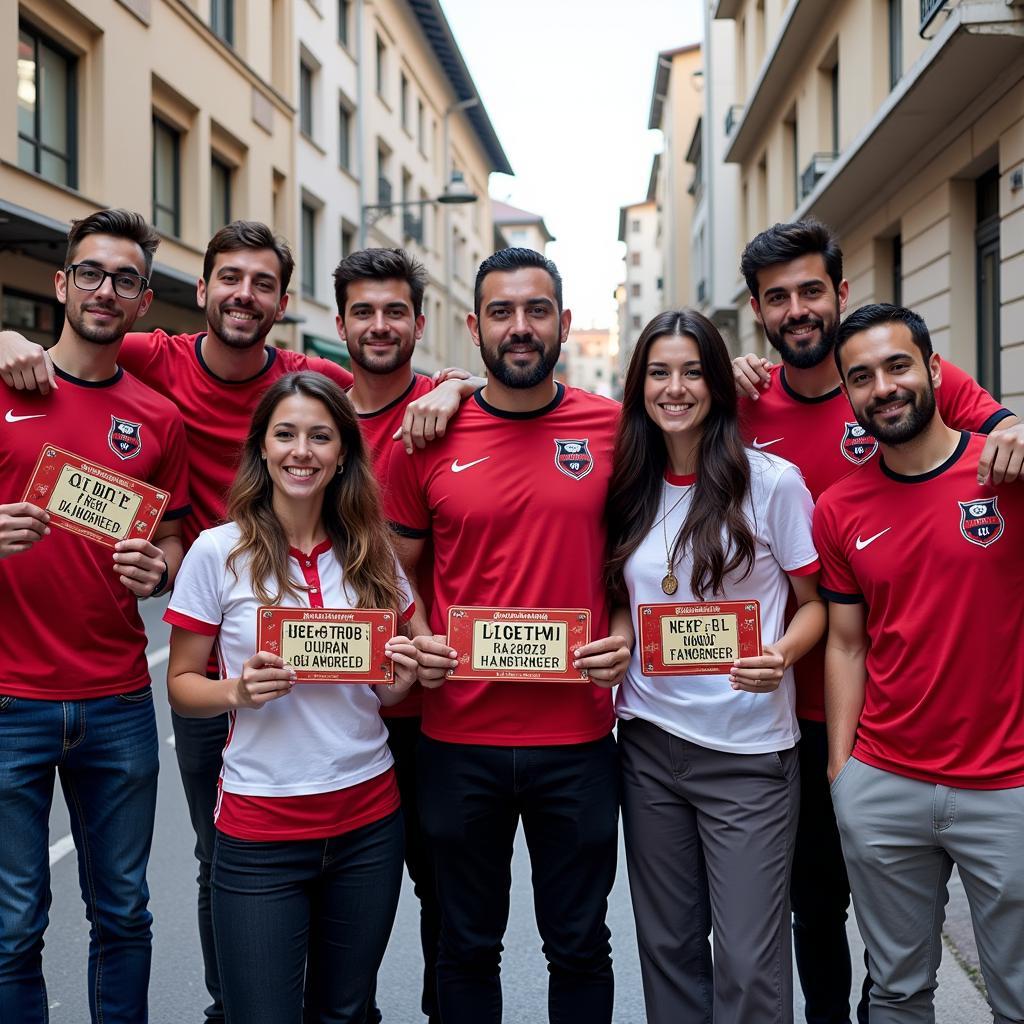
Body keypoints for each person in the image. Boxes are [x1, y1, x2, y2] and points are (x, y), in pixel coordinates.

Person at [0, 223, 477, 1024]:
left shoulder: (306, 395)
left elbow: (370, 393)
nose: (243, 296)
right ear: (198, 292)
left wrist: (453, 384)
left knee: (126, 914)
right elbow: (188, 675)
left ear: (285, 304)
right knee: (192, 866)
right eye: (230, 278)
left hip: (137, 698)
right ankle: (241, 1002)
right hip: (47, 690)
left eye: (263, 284)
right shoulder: (153, 364)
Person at [732, 219, 1021, 1024]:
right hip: (808, 719)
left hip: (959, 739)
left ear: (840, 293)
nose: (797, 309)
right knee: (822, 914)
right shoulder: (745, 401)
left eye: (811, 291)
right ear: (758, 311)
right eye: (778, 297)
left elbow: (998, 430)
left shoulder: (924, 394)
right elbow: (650, 428)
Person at [384, 248, 631, 1024]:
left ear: (561, 320)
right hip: (458, 740)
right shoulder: (422, 439)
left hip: (579, 740)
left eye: (536, 311)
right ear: (474, 325)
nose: (519, 328)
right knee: (465, 945)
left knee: (580, 944)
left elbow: (638, 567)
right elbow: (393, 577)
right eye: (501, 313)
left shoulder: (615, 429)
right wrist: (418, 638)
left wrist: (623, 634)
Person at [165, 371, 425, 1024]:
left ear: (342, 454)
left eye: (319, 436)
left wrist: (404, 670)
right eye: (285, 435)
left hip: (368, 822)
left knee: (345, 1012)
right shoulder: (215, 552)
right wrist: (238, 689)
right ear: (262, 449)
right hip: (259, 831)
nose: (301, 451)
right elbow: (181, 685)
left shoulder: (372, 555)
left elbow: (390, 690)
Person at [605, 309, 825, 1024]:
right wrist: (614, 644)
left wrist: (781, 654)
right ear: (640, 385)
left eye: (693, 371)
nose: (676, 388)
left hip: (748, 750)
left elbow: (815, 606)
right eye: (660, 373)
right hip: (648, 745)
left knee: (748, 960)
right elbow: (624, 601)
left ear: (718, 383)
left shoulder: (772, 481)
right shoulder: (628, 484)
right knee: (667, 948)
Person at [0, 209, 190, 1023]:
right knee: (12, 928)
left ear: (143, 301)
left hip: (117, 702)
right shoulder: (7, 381)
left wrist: (162, 567)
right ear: (61, 281)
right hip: (10, 699)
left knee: (124, 915)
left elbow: (173, 533)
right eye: (89, 272)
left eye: (122, 279)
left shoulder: (157, 418)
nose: (103, 289)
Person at [814, 303, 1024, 1024]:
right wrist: (845, 775)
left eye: (898, 366)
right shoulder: (839, 508)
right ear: (848, 394)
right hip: (887, 785)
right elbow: (846, 642)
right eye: (862, 377)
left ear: (934, 370)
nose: (883, 388)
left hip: (1009, 786)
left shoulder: (1005, 470)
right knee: (897, 993)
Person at [334, 247, 483, 1024]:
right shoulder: (314, 410)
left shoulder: (454, 407)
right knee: (339, 894)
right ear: (340, 324)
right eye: (364, 311)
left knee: (444, 897)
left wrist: (462, 385)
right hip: (329, 704)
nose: (380, 325)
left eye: (395, 311)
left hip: (430, 711)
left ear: (421, 326)